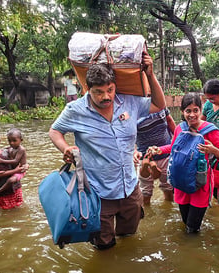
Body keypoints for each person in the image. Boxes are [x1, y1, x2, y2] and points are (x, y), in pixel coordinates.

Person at [49, 50, 166, 250]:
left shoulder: (129, 101)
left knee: (130, 238)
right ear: (87, 88)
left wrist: (150, 74)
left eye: (110, 90)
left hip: (130, 188)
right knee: (103, 247)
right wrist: (66, 147)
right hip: (97, 193)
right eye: (99, 92)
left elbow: (159, 104)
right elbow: (54, 131)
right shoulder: (75, 110)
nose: (106, 97)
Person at [147, 93, 219, 233]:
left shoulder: (211, 131)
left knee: (192, 229)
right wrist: (159, 150)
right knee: (185, 222)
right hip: (181, 183)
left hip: (201, 185)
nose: (192, 115)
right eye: (188, 111)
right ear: (182, 112)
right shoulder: (180, 128)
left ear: (201, 110)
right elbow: (173, 148)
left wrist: (214, 150)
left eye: (195, 110)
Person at [134, 108, 176, 205]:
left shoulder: (160, 106)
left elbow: (169, 120)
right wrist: (134, 151)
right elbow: (128, 135)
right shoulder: (133, 109)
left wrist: (178, 140)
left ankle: (147, 216)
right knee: (146, 192)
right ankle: (167, 211)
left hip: (165, 154)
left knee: (167, 188)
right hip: (144, 155)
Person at [0, 128, 28, 200]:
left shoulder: (21, 149)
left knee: (10, 180)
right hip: (15, 169)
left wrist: (2, 161)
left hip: (21, 170)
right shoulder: (11, 148)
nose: (12, 143)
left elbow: (16, 161)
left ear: (21, 140)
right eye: (9, 141)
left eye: (14, 141)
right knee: (9, 180)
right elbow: (6, 149)